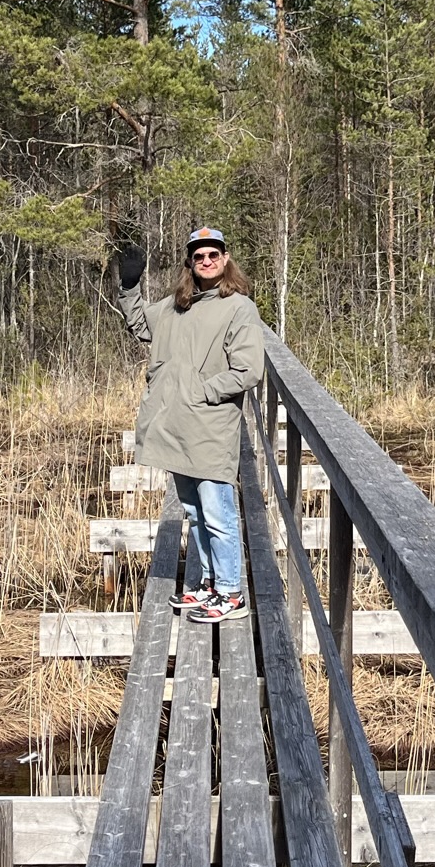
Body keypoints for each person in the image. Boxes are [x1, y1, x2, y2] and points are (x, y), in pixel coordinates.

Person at [115, 226, 264, 622]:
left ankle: (231, 593)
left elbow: (249, 370)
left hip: (211, 427)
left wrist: (202, 391)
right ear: (190, 262)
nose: (206, 261)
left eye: (213, 254)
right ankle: (210, 585)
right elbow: (140, 325)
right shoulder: (175, 306)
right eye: (199, 256)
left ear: (225, 259)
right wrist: (129, 286)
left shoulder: (239, 308)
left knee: (217, 513)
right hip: (177, 427)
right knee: (195, 512)